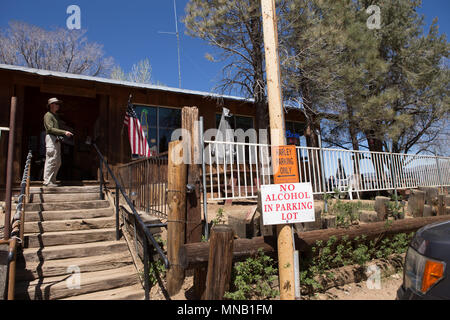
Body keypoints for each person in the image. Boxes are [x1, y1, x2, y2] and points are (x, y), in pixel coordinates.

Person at [43, 98, 73, 186]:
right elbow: (50, 128)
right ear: (51, 105)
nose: (58, 106)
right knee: (51, 160)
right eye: (56, 104)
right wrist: (64, 132)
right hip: (51, 138)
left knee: (57, 161)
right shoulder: (48, 115)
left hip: (56, 139)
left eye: (58, 104)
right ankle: (47, 181)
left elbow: (59, 126)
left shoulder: (55, 116)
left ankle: (52, 180)